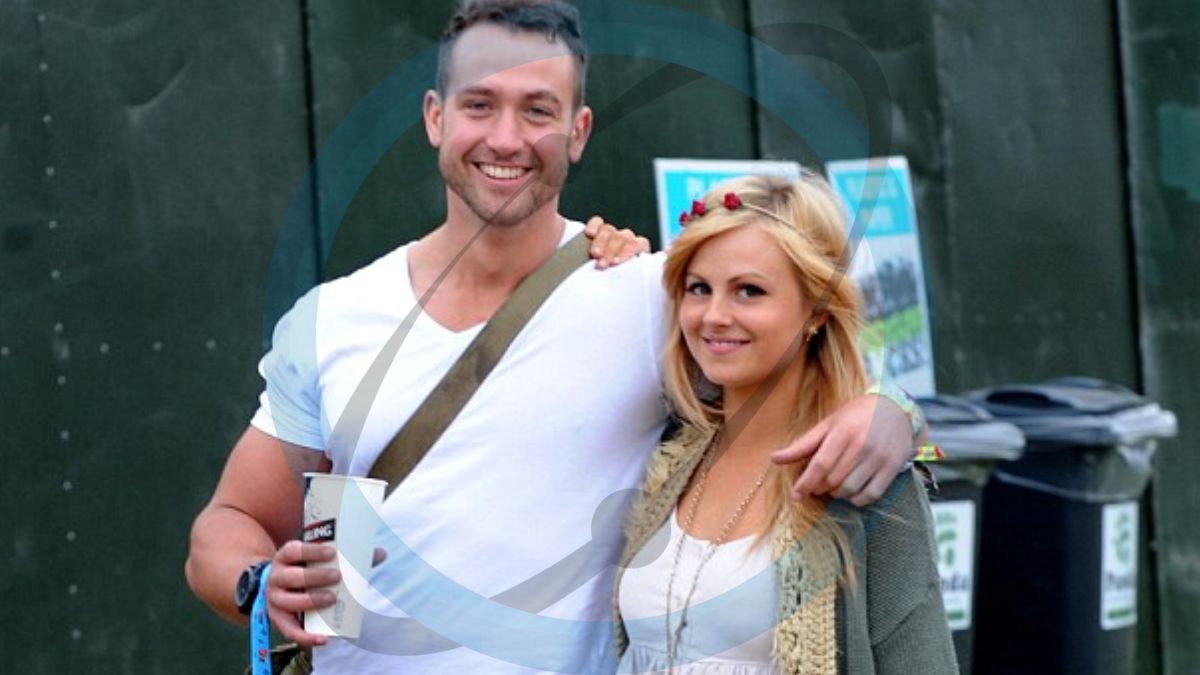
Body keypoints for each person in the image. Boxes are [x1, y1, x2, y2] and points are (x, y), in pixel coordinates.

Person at [185, 1, 924, 672]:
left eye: (537, 109)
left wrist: (893, 410)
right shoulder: (332, 318)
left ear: (578, 131)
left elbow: (815, 377)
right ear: (436, 118)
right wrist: (260, 584)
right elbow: (227, 523)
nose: (506, 138)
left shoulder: (648, 298)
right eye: (480, 104)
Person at [613, 173, 956, 674]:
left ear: (816, 311)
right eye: (699, 288)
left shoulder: (862, 475)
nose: (714, 315)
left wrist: (902, 412)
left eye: (749, 291)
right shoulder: (670, 449)